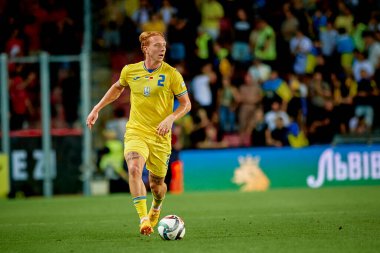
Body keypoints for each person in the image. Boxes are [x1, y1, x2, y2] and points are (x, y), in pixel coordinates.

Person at [86, 31, 191, 236]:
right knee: (134, 169)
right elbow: (117, 88)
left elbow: (186, 105)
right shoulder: (130, 71)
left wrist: (170, 118)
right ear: (145, 48)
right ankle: (143, 219)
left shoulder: (172, 74)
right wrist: (96, 109)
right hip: (137, 131)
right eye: (157, 45)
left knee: (157, 185)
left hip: (160, 135)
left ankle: (156, 207)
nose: (162, 49)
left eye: (164, 45)